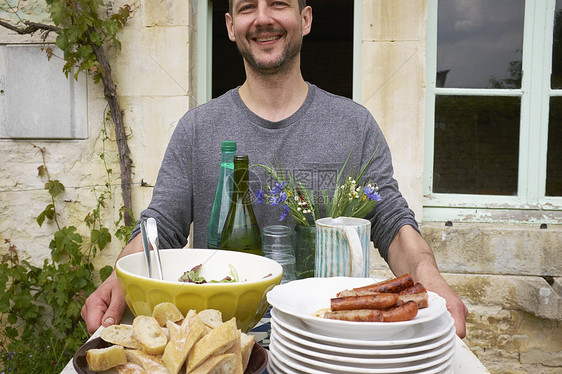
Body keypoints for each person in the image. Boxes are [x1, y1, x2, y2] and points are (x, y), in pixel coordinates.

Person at [82, 0, 468, 338]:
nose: (263, 18)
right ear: (231, 26)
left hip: (326, 339)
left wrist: (428, 278)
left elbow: (391, 222)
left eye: (278, 4)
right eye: (248, 7)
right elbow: (160, 226)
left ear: (306, 19)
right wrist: (122, 274)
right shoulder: (197, 129)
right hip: (222, 343)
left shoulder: (354, 125)